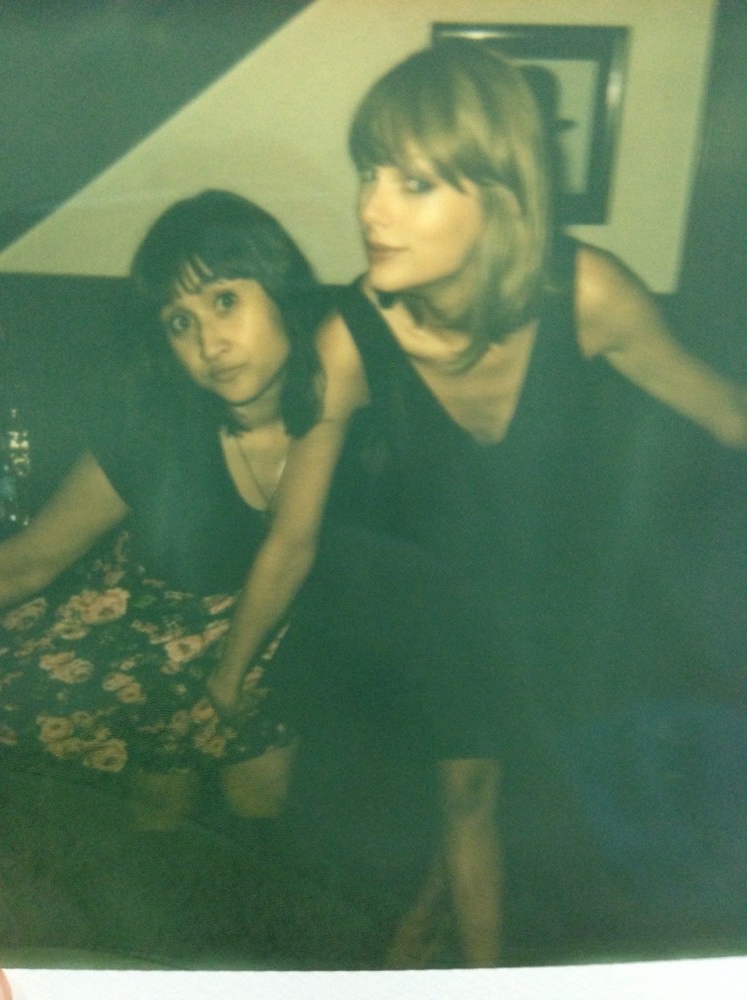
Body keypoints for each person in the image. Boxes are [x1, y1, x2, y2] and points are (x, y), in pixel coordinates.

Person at [205, 42, 747, 961]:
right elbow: (293, 537)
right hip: (438, 597)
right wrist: (227, 672)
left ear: (500, 195)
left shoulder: (586, 293)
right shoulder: (351, 339)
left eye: (412, 183)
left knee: (541, 805)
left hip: (566, 592)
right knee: (468, 792)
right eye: (369, 172)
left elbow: (727, 412)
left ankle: (434, 910)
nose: (369, 208)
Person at [0, 189, 503, 967]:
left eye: (225, 300)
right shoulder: (155, 430)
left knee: (262, 816)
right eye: (180, 322)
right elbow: (30, 561)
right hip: (148, 648)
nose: (209, 342)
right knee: (161, 821)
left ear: (281, 290)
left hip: (281, 652)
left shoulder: (358, 410)